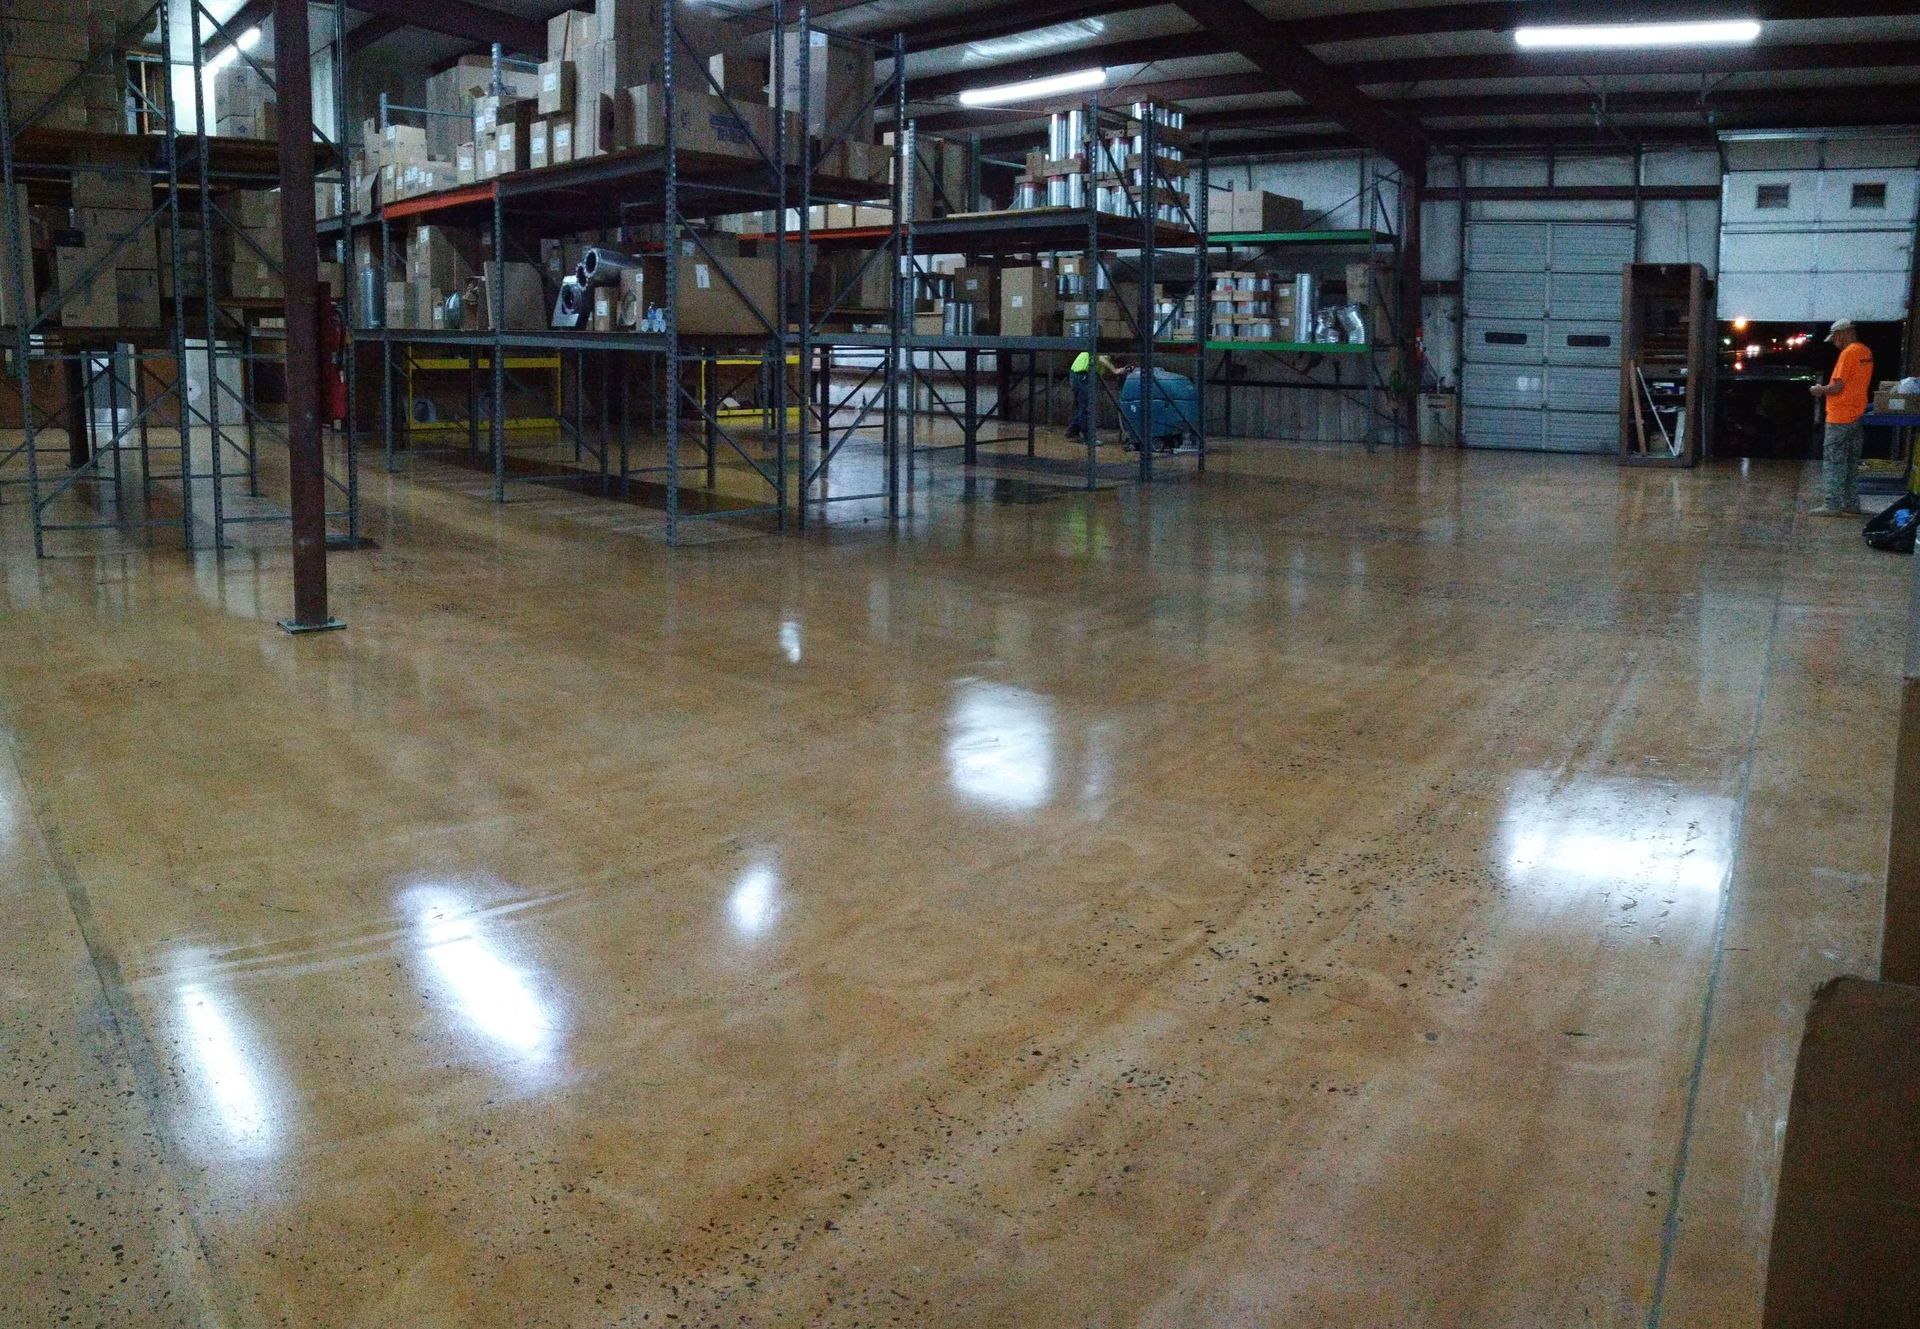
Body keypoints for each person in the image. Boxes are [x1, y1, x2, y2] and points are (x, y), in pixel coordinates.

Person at [1809, 318, 1874, 516]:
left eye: (1835, 339)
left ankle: (1832, 504)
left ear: (1843, 333)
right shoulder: (1866, 352)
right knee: (1851, 463)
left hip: (1839, 417)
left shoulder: (1848, 354)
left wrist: (1819, 389)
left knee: (1834, 462)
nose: (1835, 343)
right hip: (1856, 416)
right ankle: (1851, 503)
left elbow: (1837, 387)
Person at [1066, 351, 1117, 442]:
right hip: (1082, 374)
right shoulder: (1102, 349)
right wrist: (1115, 370)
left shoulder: (1104, 355)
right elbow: (1101, 358)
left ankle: (1072, 431)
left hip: (1078, 375)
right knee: (1087, 408)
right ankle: (1089, 438)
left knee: (1082, 407)